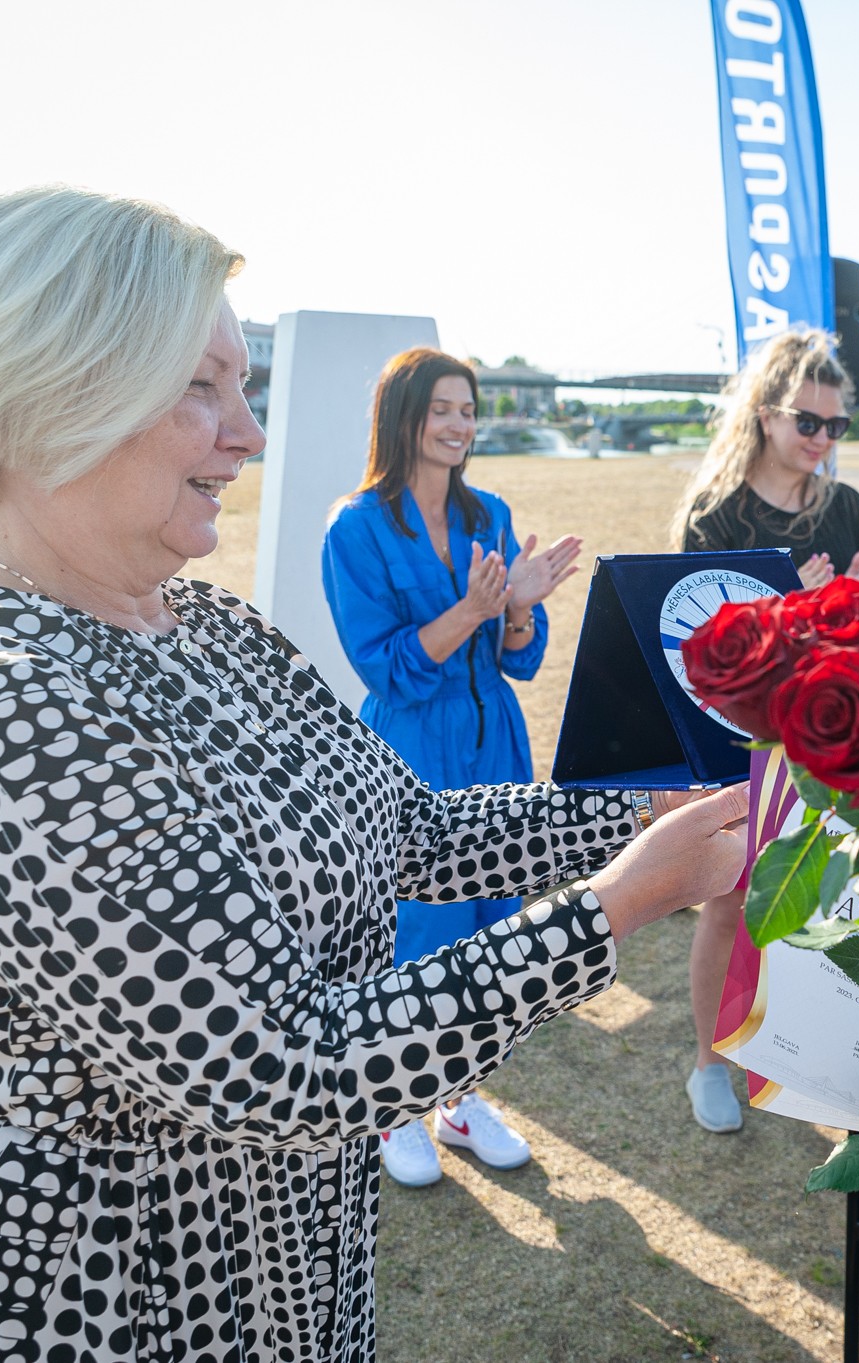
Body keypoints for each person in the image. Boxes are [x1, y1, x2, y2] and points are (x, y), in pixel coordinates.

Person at [0, 186, 750, 1363]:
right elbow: (283, 1066)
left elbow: (411, 830)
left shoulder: (203, 623)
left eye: (243, 385)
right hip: (113, 1297)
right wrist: (613, 906)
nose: (249, 433)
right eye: (199, 387)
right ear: (46, 400)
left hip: (293, 1265)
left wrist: (634, 818)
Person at [321, 348, 583, 1187]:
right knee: (415, 941)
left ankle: (460, 1097)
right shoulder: (354, 528)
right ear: (402, 415)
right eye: (443, 408)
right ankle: (396, 1109)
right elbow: (386, 667)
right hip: (408, 754)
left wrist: (516, 611)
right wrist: (471, 606)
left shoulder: (490, 511)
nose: (460, 424)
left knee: (490, 935)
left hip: (495, 745)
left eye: (468, 409)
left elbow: (518, 661)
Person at [671, 326, 859, 1133]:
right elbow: (693, 648)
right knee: (730, 906)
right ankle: (708, 1062)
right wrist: (781, 604)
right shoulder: (715, 516)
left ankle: (796, 1056)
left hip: (827, 734)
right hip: (738, 742)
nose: (823, 442)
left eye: (837, 428)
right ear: (765, 414)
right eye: (809, 423)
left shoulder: (846, 507)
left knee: (818, 910)